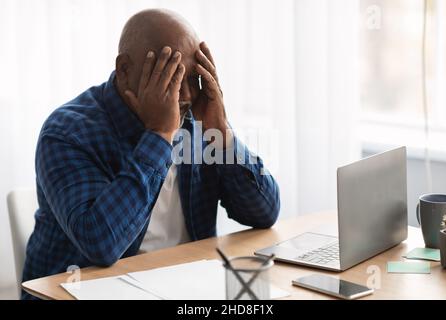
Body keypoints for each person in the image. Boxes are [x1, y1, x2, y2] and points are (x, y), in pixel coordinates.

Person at [22, 8, 280, 299]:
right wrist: (159, 135)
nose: (184, 95)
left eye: (192, 77)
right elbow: (101, 244)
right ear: (124, 70)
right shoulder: (67, 132)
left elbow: (264, 213)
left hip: (183, 288)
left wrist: (221, 133)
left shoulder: (198, 119)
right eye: (169, 76)